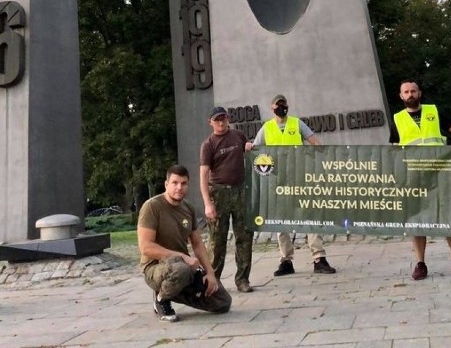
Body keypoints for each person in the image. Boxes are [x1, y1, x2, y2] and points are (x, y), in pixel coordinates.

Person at [390, 79, 451, 280]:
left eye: (413, 91)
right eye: (406, 91)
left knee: (448, 215)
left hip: (440, 174)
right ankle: (420, 263)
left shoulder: (434, 112)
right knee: (417, 219)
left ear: (419, 93)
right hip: (414, 177)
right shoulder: (397, 119)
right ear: (401, 96)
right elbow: (394, 150)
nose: (410, 94)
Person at [253, 93, 337, 276]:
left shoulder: (297, 123)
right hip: (278, 180)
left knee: (310, 214)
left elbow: (315, 142)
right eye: (277, 104)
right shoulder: (266, 128)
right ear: (272, 107)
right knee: (280, 219)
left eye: (283, 104)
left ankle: (319, 258)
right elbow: (255, 150)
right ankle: (286, 261)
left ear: (287, 106)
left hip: (300, 176)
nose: (281, 107)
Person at [138, 164, 232, 322]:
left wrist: (210, 274)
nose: (179, 187)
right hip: (155, 267)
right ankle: (161, 299)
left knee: (222, 302)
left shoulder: (188, 208)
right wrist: (183, 257)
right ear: (166, 184)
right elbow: (146, 247)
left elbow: (197, 244)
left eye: (183, 183)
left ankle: (172, 290)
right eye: (174, 183)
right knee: (181, 270)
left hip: (183, 268)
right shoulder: (152, 207)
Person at [199, 106, 254, 293]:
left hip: (240, 191)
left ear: (228, 119)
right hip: (218, 193)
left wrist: (249, 147)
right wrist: (207, 203)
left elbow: (250, 151)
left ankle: (243, 279)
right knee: (217, 240)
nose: (221, 123)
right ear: (210, 122)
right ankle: (214, 280)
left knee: (244, 236)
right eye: (217, 120)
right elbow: (203, 174)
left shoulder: (238, 135)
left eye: (223, 119)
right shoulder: (208, 144)